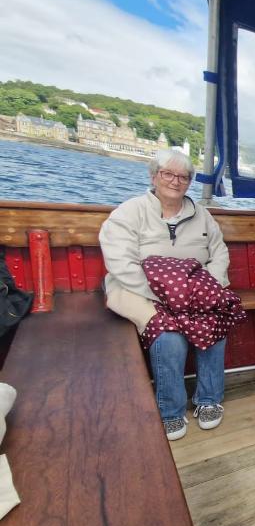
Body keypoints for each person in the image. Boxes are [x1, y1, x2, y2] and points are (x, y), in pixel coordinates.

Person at [100, 148, 231, 441]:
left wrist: (205, 287)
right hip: (141, 291)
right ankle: (171, 411)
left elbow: (219, 253)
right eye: (168, 174)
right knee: (168, 335)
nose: (175, 181)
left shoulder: (202, 216)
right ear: (154, 176)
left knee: (215, 322)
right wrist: (165, 294)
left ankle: (209, 399)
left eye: (183, 176)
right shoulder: (130, 211)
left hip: (193, 290)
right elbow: (120, 262)